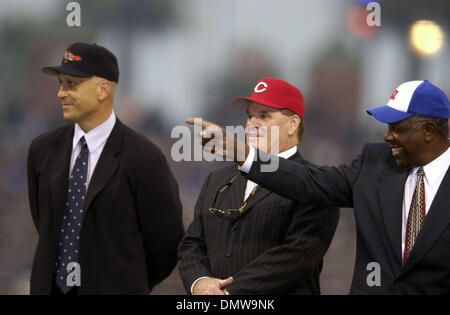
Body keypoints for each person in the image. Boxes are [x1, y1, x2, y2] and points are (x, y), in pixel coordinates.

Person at [187, 79, 450, 294]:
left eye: (397, 127)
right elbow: (310, 182)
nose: (387, 135)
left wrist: (227, 294)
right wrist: (244, 155)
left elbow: (296, 258)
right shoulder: (374, 163)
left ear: (428, 130)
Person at [27, 42, 184, 295]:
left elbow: (167, 244)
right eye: (61, 84)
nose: (61, 93)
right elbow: (46, 224)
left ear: (103, 90)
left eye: (72, 84)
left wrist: (125, 281)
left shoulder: (145, 158)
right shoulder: (42, 151)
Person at [178, 78, 339, 295]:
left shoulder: (317, 184)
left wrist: (226, 293)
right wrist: (200, 283)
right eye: (250, 116)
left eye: (264, 116)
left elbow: (294, 259)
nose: (252, 123)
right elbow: (192, 244)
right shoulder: (216, 180)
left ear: (292, 124)